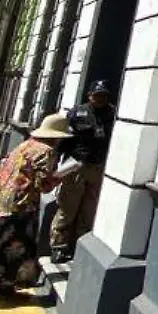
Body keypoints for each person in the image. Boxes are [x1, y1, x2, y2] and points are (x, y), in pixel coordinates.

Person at [0, 113, 69, 301]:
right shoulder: (45, 151)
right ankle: (7, 287)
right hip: (21, 206)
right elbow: (42, 184)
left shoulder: (23, 145)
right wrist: (58, 178)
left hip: (1, 202)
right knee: (17, 248)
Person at [50, 80, 115, 264]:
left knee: (89, 208)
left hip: (98, 166)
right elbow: (64, 141)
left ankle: (80, 243)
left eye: (104, 96)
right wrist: (56, 164)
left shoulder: (112, 113)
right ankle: (58, 246)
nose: (101, 99)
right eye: (97, 95)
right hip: (76, 166)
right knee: (68, 208)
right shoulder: (78, 113)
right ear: (90, 96)